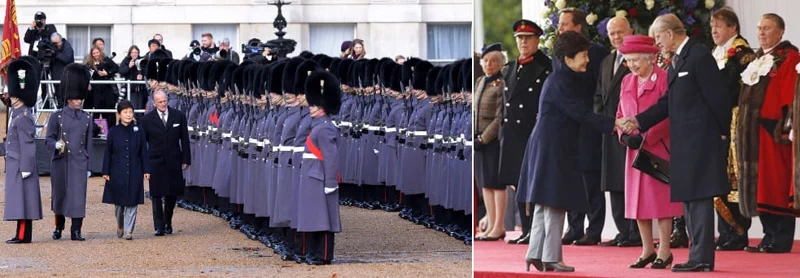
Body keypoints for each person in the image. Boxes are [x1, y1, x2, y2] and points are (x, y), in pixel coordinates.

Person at [621, 13, 731, 272]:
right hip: (685, 142)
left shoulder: (698, 55)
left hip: (701, 140)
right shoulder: (679, 59)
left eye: (658, 36)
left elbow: (718, 97)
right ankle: (696, 256)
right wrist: (638, 121)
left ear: (670, 33)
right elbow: (666, 104)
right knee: (690, 199)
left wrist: (723, 132)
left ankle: (702, 258)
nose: (656, 42)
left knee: (700, 198)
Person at [520, 31, 629, 273]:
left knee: (544, 203)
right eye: (583, 55)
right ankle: (550, 257)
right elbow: (581, 113)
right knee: (555, 202)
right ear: (568, 58)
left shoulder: (560, 79)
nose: (587, 60)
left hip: (548, 145)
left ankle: (535, 253)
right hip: (553, 147)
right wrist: (614, 123)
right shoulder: (562, 82)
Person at [615, 35, 682, 269]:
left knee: (661, 203)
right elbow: (620, 115)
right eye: (628, 60)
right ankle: (647, 250)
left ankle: (665, 250)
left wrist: (646, 137)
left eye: (635, 60)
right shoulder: (626, 81)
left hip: (657, 148)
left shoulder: (664, 79)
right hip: (634, 151)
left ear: (651, 58)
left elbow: (669, 114)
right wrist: (623, 135)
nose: (631, 65)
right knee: (638, 202)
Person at [737, 13, 800, 254]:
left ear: (780, 32)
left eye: (767, 28)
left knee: (776, 186)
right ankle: (767, 235)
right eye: (759, 28)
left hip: (774, 134)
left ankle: (780, 239)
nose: (761, 32)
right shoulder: (758, 59)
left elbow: (791, 96)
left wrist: (781, 128)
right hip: (754, 135)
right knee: (761, 186)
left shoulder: (789, 58)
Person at [556, 7, 611, 246]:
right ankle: (574, 226)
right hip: (567, 125)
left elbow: (600, 90)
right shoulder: (558, 54)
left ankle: (594, 228)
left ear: (578, 27)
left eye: (564, 24)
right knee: (571, 176)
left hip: (589, 123)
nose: (560, 29)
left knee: (590, 176)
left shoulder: (597, 53)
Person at [709, 7, 756, 252]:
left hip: (735, 120)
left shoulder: (741, 53)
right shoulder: (715, 53)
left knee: (734, 176)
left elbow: (729, 88)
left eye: (719, 25)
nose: (714, 30)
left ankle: (738, 231)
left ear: (733, 28)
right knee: (719, 177)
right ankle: (725, 231)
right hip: (718, 120)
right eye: (712, 26)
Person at [501, 19, 552, 245]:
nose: (523, 42)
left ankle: (536, 230)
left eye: (528, 38)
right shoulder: (511, 68)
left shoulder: (546, 66)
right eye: (520, 38)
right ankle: (525, 228)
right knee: (518, 182)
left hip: (533, 132)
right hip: (513, 133)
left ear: (537, 39)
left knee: (534, 183)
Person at [593, 16, 642, 248]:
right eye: (612, 33)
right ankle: (623, 231)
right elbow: (599, 97)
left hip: (630, 131)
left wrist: (624, 123)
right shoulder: (606, 61)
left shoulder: (637, 60)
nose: (616, 37)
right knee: (613, 183)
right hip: (610, 130)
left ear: (630, 31)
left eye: (620, 32)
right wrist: (606, 121)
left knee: (631, 182)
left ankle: (635, 233)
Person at [295, 70, 342, 265]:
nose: (310, 107)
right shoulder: (317, 125)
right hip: (311, 176)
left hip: (320, 177)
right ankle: (313, 252)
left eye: (314, 103)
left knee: (323, 220)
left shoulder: (324, 127)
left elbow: (331, 158)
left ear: (322, 105)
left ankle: (323, 255)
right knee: (313, 218)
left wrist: (331, 182)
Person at [46, 63, 94, 241]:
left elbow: (88, 144)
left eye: (80, 98)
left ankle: (76, 230)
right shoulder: (57, 116)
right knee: (60, 196)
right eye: (75, 98)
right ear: (68, 98)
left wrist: (89, 166)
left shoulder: (87, 117)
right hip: (61, 161)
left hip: (79, 162)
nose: (79, 100)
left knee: (77, 198)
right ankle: (59, 226)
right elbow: (48, 140)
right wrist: (56, 145)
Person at [2, 58, 43, 244]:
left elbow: (27, 144)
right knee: (19, 200)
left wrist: (26, 167)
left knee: (24, 201)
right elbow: (12, 142)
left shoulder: (24, 115)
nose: (10, 97)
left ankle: (23, 235)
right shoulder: (17, 113)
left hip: (21, 164)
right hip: (15, 162)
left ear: (18, 96)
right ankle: (20, 233)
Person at [140, 91, 191, 236]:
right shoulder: (147, 120)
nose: (163, 104)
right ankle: (159, 226)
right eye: (160, 102)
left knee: (171, 194)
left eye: (165, 101)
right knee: (156, 194)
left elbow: (185, 139)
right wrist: (144, 165)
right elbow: (143, 145)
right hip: (155, 160)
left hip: (174, 160)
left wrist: (186, 159)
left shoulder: (178, 116)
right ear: (154, 103)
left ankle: (168, 221)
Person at [102, 100, 151, 240]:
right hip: (117, 171)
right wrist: (106, 171)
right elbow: (108, 152)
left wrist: (146, 169)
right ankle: (120, 224)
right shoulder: (113, 132)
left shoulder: (139, 131)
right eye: (125, 112)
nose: (128, 115)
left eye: (130, 112)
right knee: (119, 204)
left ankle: (129, 230)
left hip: (135, 169)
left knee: (133, 201)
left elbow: (143, 151)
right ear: (119, 114)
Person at [474, 43, 506, 241]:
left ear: (501, 63)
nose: (490, 64)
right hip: (478, 138)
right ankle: (490, 224)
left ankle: (498, 225)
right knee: (484, 184)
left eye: (494, 61)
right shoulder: (479, 81)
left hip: (492, 140)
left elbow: (499, 117)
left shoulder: (502, 84)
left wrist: (484, 137)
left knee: (496, 183)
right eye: (486, 61)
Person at [85, 46, 120, 125]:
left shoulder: (106, 60)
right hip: (96, 90)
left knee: (108, 110)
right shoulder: (89, 64)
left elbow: (116, 68)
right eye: (94, 53)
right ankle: (95, 131)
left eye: (97, 52)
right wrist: (88, 83)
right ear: (91, 54)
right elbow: (86, 75)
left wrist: (107, 73)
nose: (96, 54)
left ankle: (110, 130)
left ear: (100, 52)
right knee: (96, 110)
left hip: (107, 88)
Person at [48, 33, 75, 107]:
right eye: (54, 43)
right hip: (56, 76)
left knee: (66, 98)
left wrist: (56, 53)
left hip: (67, 77)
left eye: (57, 43)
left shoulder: (67, 46)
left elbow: (67, 59)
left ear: (61, 40)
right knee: (59, 97)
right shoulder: (53, 47)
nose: (56, 45)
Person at [119, 45, 147, 113]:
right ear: (130, 53)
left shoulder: (142, 60)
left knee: (141, 109)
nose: (134, 54)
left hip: (141, 89)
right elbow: (121, 71)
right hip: (131, 89)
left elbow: (146, 71)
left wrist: (142, 76)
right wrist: (129, 66)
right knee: (132, 108)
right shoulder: (126, 60)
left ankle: (140, 123)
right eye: (132, 52)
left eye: (136, 52)